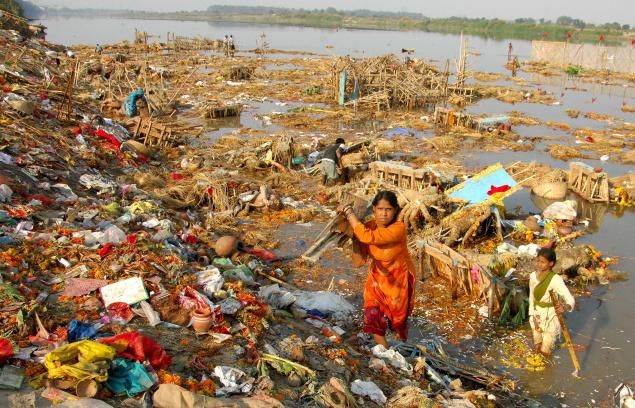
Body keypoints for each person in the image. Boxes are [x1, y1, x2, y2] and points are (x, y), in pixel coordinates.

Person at [338, 191, 416, 348]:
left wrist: (348, 212)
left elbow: (369, 237)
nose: (384, 214)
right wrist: (355, 238)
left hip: (398, 282)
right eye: (380, 209)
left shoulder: (398, 229)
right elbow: (358, 262)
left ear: (395, 210)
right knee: (372, 315)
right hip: (376, 282)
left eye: (388, 209)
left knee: (398, 322)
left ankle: (401, 345)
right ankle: (388, 353)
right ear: (374, 209)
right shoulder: (368, 228)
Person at [529, 247, 575, 356]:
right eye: (538, 261)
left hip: (550, 316)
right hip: (537, 314)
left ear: (551, 263)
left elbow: (570, 298)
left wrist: (565, 307)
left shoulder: (555, 279)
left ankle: (545, 369)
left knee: (546, 349)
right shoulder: (532, 277)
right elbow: (531, 298)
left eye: (543, 262)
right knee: (537, 343)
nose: (539, 264)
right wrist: (532, 314)